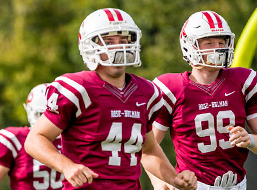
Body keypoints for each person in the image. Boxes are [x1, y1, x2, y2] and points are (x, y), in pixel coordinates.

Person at [24, 8, 197, 190]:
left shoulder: (147, 92)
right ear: (89, 46)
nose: (119, 47)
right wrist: (66, 165)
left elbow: (149, 150)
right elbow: (35, 139)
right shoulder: (78, 89)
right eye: (109, 41)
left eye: (123, 40)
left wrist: (174, 178)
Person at [149, 10, 257, 190]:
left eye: (221, 42)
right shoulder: (172, 89)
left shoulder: (242, 82)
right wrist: (160, 181)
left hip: (238, 186)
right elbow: (148, 147)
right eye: (209, 43)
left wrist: (251, 140)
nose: (218, 47)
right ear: (190, 45)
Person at [0, 84, 64, 190]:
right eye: (42, 115)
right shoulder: (15, 140)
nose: (47, 120)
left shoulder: (72, 138)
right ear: (31, 112)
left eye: (52, 114)